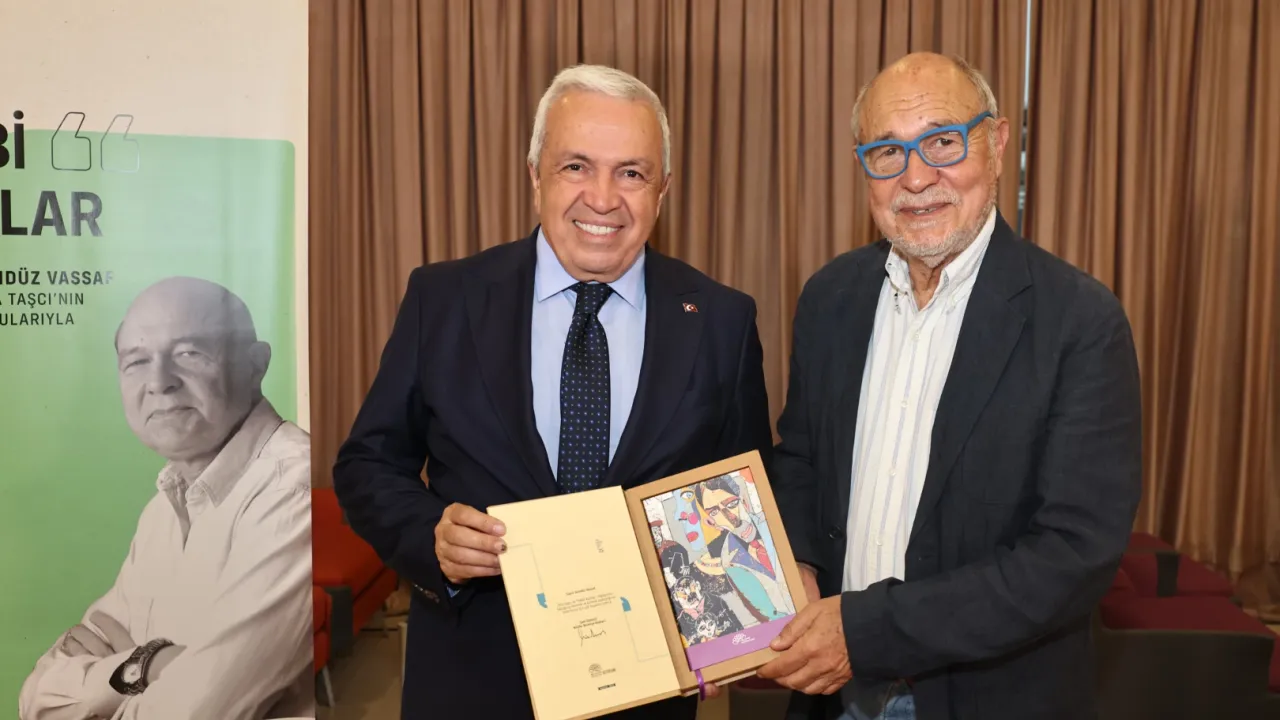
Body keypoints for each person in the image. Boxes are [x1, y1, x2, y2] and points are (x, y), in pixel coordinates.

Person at [331, 64, 773, 720]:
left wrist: (724, 637)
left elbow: (737, 501)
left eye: (632, 172)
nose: (603, 198)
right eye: (576, 167)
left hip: (645, 691)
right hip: (470, 680)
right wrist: (432, 536)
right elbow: (366, 465)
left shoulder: (721, 321)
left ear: (663, 190)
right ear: (535, 174)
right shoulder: (444, 299)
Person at [759, 52, 1142, 720]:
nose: (915, 178)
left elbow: (1072, 556)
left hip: (990, 698)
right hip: (833, 696)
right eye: (887, 152)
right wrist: (799, 563)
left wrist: (867, 633)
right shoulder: (830, 298)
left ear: (996, 144)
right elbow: (801, 461)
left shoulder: (1080, 321)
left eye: (942, 141)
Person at [18, 277, 315, 719]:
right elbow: (37, 699)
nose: (159, 382)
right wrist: (149, 664)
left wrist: (109, 678)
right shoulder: (164, 509)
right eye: (136, 361)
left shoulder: (290, 491)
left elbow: (194, 713)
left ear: (256, 365)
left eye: (189, 353)